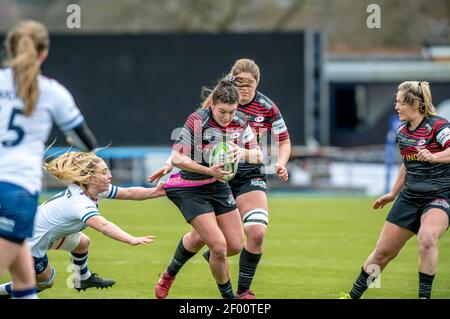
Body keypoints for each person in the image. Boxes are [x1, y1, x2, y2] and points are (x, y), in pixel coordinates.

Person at [150, 58, 290, 299]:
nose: (227, 116)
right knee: (213, 241)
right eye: (241, 84)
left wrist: (254, 156)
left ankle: (224, 266)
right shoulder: (204, 114)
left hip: (240, 176)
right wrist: (171, 165)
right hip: (203, 180)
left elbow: (265, 150)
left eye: (250, 84)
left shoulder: (257, 112)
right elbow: (180, 153)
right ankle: (218, 288)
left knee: (241, 240)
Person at [0, 20, 97, 299]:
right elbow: (87, 143)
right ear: (43, 53)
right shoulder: (53, 91)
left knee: (24, 280)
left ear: (8, 49)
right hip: (16, 191)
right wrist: (73, 143)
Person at [0, 151, 164, 297]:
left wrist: (155, 192)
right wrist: (130, 239)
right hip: (30, 241)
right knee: (45, 282)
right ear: (91, 178)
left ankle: (82, 279)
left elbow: (129, 192)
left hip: (39, 231)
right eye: (104, 172)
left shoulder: (94, 188)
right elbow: (104, 226)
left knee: (82, 242)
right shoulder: (80, 203)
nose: (109, 175)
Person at [341, 81, 450, 299]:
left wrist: (433, 156)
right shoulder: (402, 132)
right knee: (383, 252)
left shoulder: (438, 126)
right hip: (410, 196)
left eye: (400, 102)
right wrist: (393, 193)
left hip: (439, 195)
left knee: (427, 238)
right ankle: (353, 296)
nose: (396, 107)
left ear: (416, 104)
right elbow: (406, 164)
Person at [156, 78, 263, 299]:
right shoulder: (197, 120)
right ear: (212, 104)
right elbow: (177, 158)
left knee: (234, 246)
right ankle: (228, 297)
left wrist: (240, 152)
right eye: (223, 111)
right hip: (191, 187)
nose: (227, 117)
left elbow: (259, 156)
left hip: (219, 186)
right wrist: (209, 171)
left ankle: (206, 260)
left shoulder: (241, 121)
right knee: (219, 246)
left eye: (232, 111)